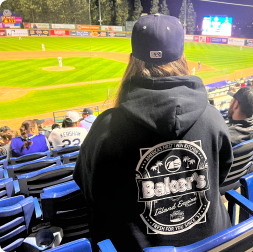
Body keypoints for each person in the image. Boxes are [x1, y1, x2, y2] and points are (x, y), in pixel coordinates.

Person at [73, 14, 233, 250]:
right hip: (211, 243)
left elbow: (90, 189)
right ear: (183, 59)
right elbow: (219, 175)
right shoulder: (212, 117)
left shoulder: (107, 127)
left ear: (132, 60)